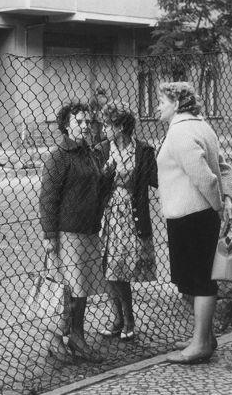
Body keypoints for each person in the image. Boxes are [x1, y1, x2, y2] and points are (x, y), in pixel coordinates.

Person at [156, 82, 232, 365]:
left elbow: (205, 178)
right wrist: (227, 199)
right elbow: (224, 168)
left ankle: (201, 344)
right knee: (197, 278)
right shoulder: (203, 127)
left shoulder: (180, 132)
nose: (158, 107)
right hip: (197, 215)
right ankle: (205, 337)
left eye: (162, 101)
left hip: (191, 215)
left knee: (200, 281)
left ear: (177, 103)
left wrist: (218, 206)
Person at [39, 102, 112, 362]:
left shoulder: (89, 153)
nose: (85, 126)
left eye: (87, 122)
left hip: (88, 230)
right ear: (66, 125)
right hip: (67, 233)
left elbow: (97, 189)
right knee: (66, 288)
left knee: (82, 290)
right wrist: (49, 236)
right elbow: (48, 198)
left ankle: (77, 336)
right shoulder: (59, 157)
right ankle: (55, 338)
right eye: (79, 121)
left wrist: (108, 175)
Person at [97, 102, 158, 341]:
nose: (104, 130)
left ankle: (127, 319)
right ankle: (119, 319)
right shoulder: (102, 150)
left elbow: (155, 180)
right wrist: (105, 174)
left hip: (131, 217)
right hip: (108, 216)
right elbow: (96, 186)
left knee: (120, 270)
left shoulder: (143, 150)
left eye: (107, 125)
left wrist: (162, 154)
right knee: (109, 269)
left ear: (120, 127)